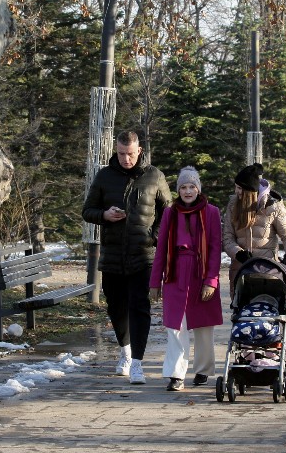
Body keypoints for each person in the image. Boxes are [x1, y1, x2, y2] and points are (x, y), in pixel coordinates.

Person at [82, 130, 171, 384]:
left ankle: (138, 364)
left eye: (130, 154)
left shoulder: (154, 175)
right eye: (121, 154)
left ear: (139, 150)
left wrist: (153, 237)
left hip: (143, 255)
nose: (126, 159)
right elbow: (87, 210)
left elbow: (168, 212)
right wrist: (104, 215)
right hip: (111, 254)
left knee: (140, 307)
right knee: (116, 307)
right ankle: (126, 351)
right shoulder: (105, 175)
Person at [149, 167, 222, 391]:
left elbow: (215, 249)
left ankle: (202, 370)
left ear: (198, 189)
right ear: (178, 190)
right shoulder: (170, 213)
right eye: (183, 187)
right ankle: (176, 374)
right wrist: (154, 282)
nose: (188, 191)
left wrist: (211, 280)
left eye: (192, 186)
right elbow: (161, 249)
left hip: (201, 272)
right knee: (175, 326)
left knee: (203, 325)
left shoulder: (211, 212)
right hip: (175, 271)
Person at [222, 163, 286, 296]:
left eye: (240, 188)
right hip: (241, 271)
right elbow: (228, 237)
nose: (236, 191)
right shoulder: (233, 205)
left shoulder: (273, 207)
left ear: (249, 191)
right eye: (235, 187)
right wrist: (238, 253)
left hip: (268, 272)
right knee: (242, 314)